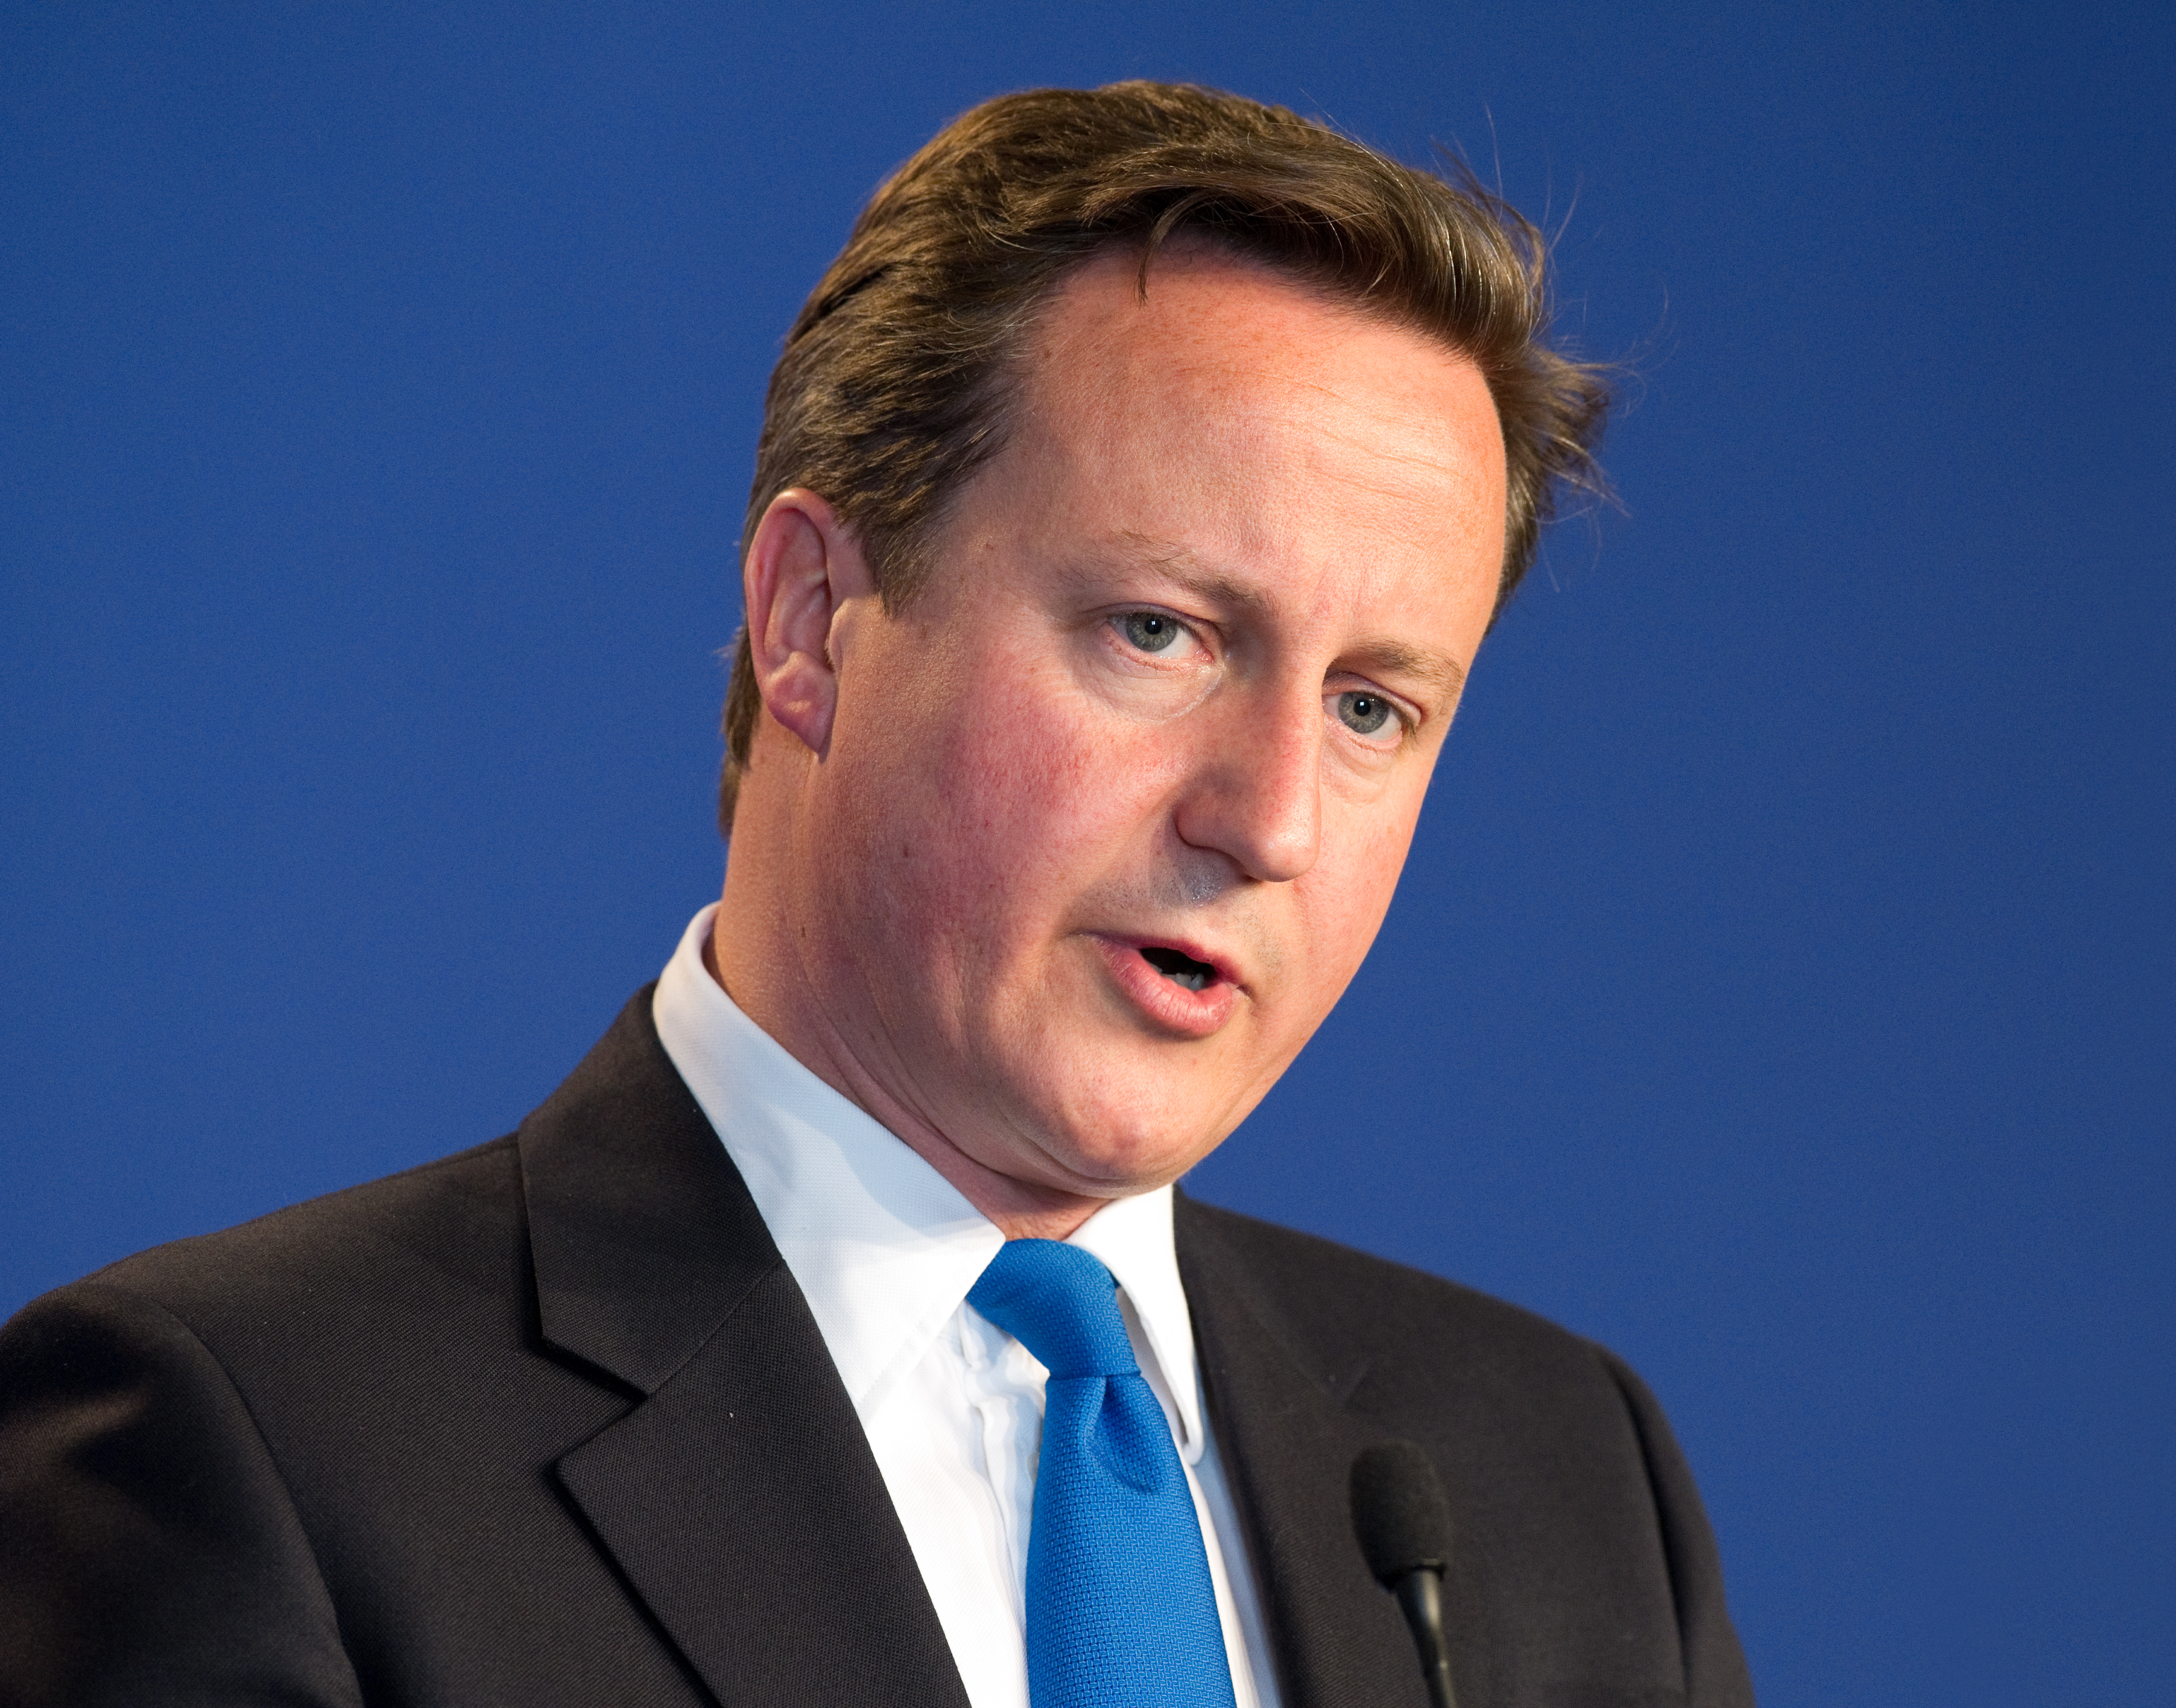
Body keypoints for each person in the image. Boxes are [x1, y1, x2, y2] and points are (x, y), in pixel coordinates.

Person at [0, 81, 1754, 1707]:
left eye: (1375, 706)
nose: (1273, 818)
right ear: (812, 625)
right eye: (1162, 632)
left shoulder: (1556, 1481)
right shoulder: (243, 1450)